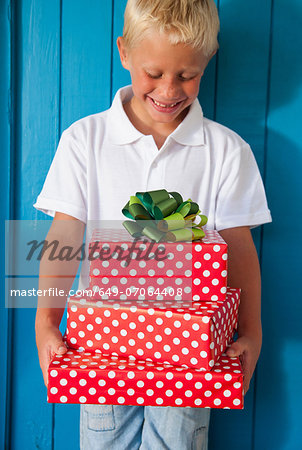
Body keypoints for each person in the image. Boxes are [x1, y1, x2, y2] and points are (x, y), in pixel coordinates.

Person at [34, 0, 272, 448]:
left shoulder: (227, 151)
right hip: (104, 342)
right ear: (123, 52)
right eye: (154, 72)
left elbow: (239, 249)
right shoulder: (84, 141)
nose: (169, 89)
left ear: (208, 60)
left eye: (187, 75)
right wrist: (45, 320)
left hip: (191, 349)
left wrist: (252, 333)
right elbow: (63, 236)